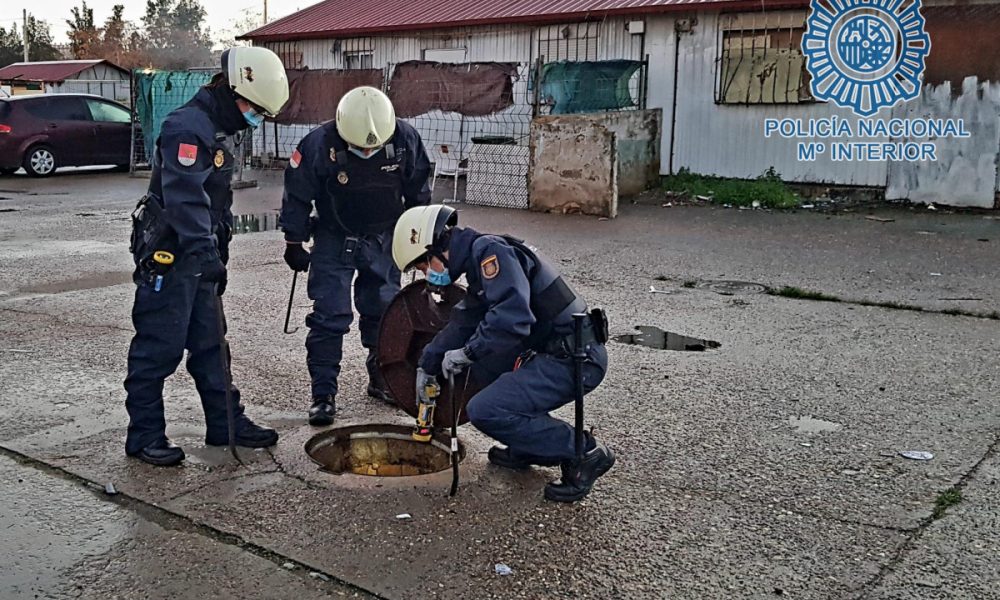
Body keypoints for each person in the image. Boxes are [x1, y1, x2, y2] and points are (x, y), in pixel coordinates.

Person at [123, 47, 290, 466]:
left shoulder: (217, 126)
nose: (256, 119)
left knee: (212, 344)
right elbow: (185, 198)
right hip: (172, 255)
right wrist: (203, 250)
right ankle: (144, 436)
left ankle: (226, 424)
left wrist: (218, 253)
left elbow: (217, 202)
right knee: (158, 347)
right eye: (255, 110)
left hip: (201, 255)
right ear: (234, 92)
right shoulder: (187, 127)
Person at [391, 205, 615, 502]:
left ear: (437, 249)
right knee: (483, 368)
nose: (427, 275)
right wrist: (428, 364)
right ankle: (527, 444)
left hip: (574, 360)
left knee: (485, 409)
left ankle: (584, 451)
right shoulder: (479, 259)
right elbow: (464, 322)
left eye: (423, 266)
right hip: (554, 352)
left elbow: (512, 320)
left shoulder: (492, 254)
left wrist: (468, 353)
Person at [280, 86, 432, 426]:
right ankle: (323, 394)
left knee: (384, 312)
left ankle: (383, 378)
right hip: (334, 238)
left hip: (384, 239)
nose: (366, 150)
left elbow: (419, 194)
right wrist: (294, 240)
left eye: (373, 147)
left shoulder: (405, 140)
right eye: (359, 146)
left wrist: (419, 241)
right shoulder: (317, 144)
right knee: (329, 317)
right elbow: (297, 194)